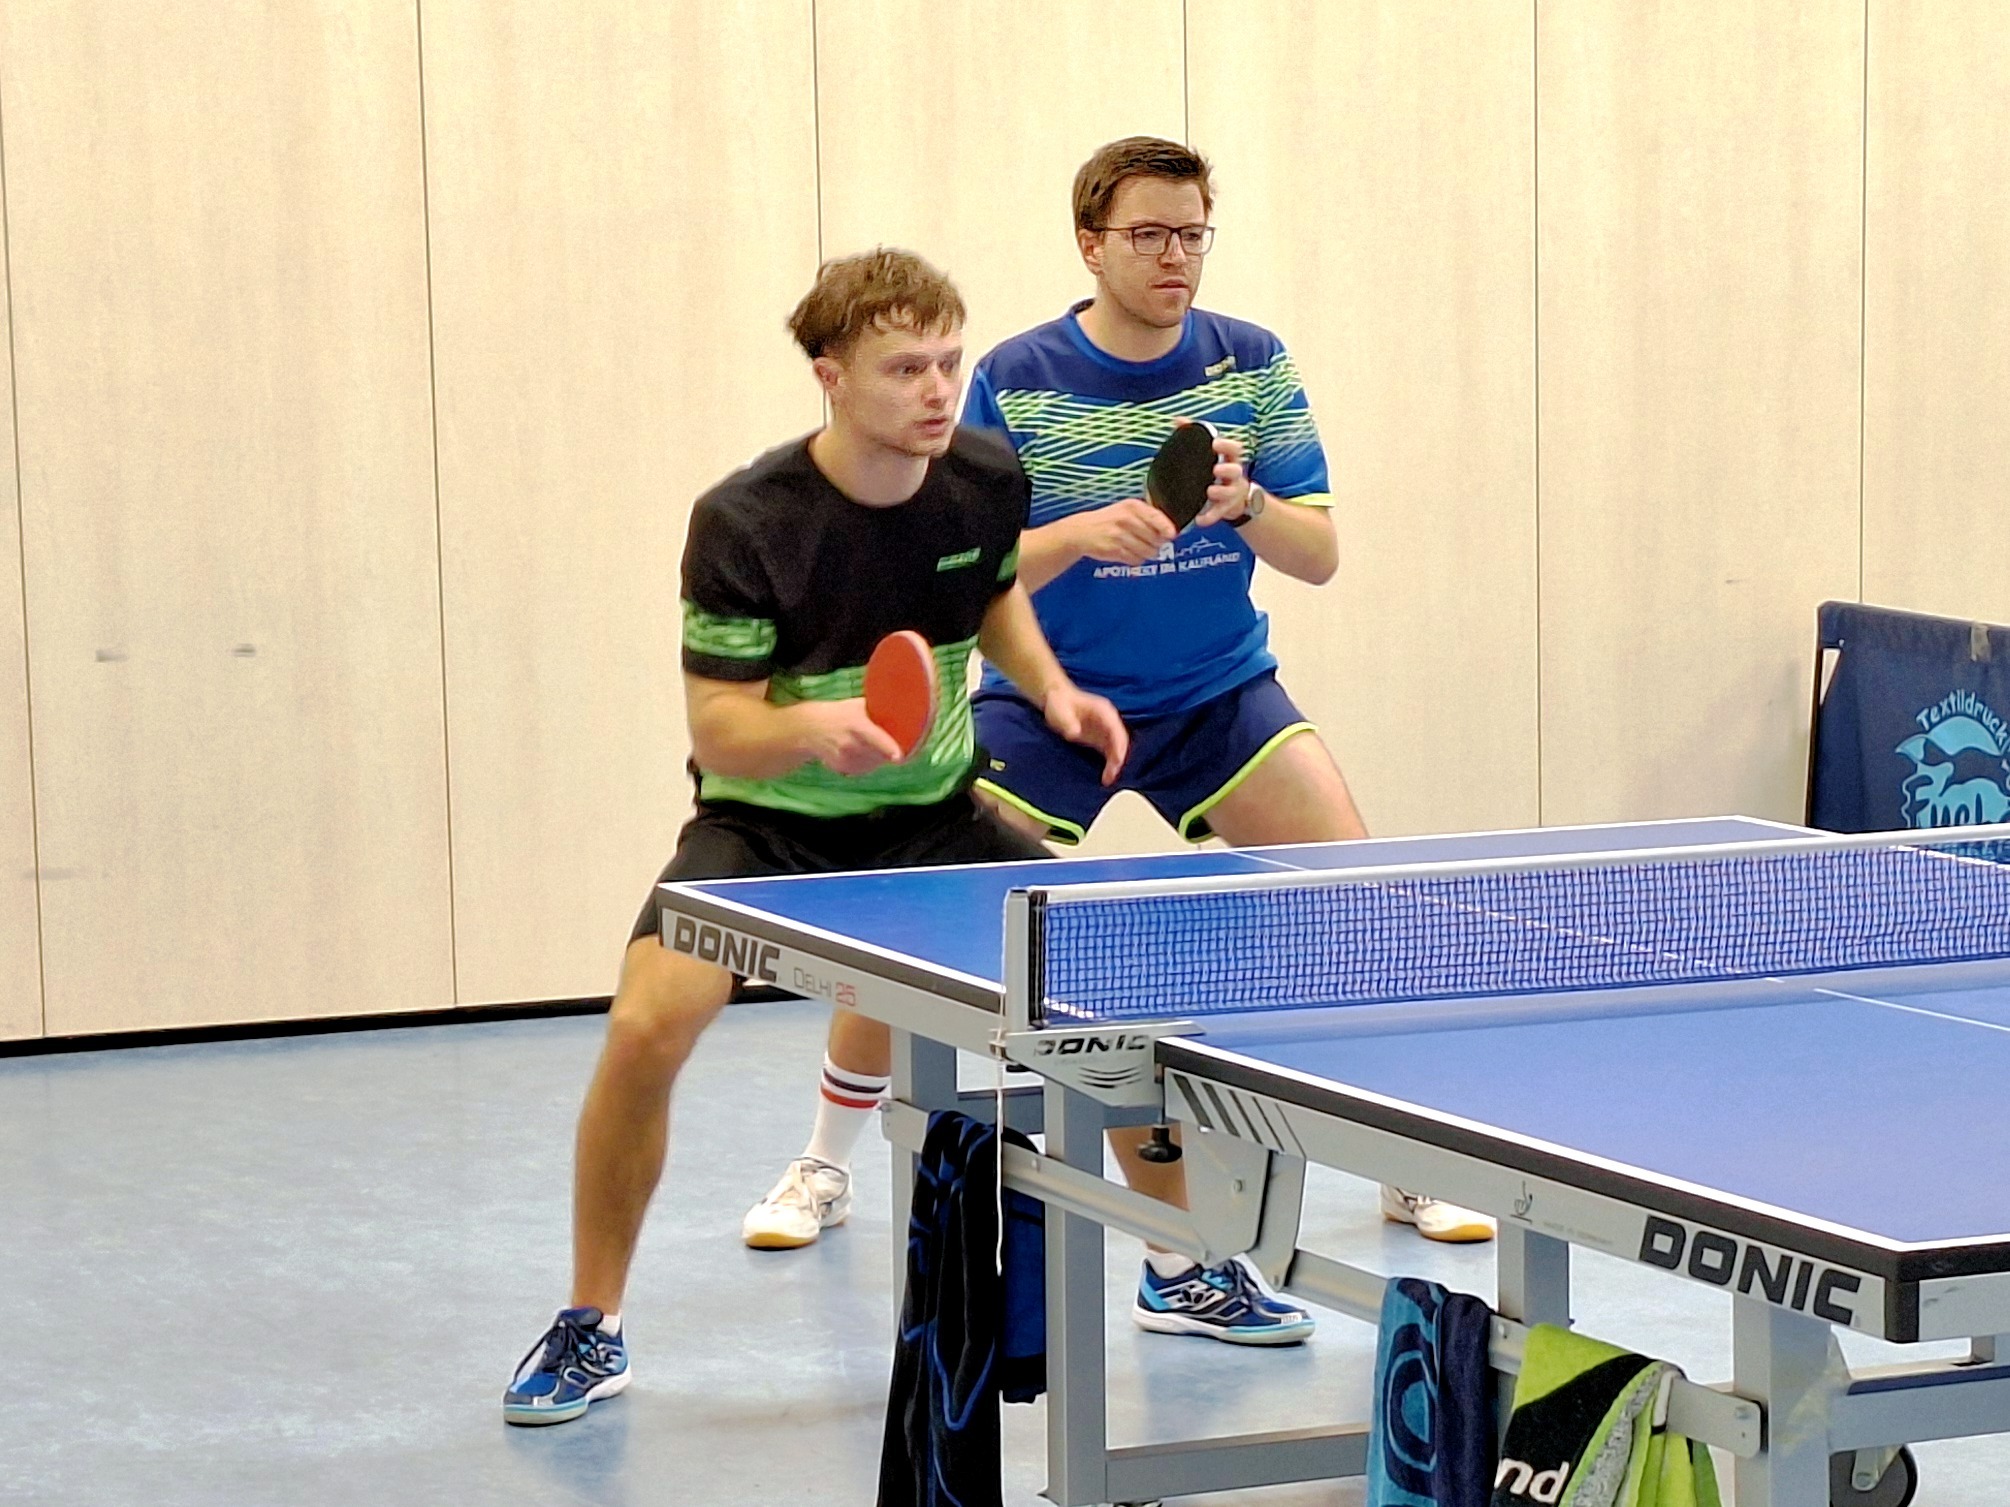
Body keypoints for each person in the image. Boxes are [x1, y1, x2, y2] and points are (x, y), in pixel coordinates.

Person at [503, 248, 1128, 1425]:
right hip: (767, 831)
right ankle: (591, 1322)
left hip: (935, 822)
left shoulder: (984, 478)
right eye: (906, 368)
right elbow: (720, 731)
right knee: (644, 1028)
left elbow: (991, 592)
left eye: (949, 361)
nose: (938, 390)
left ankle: (1189, 1262)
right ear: (830, 375)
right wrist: (810, 729)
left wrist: (1050, 688)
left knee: (1107, 998)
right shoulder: (747, 521)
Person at [962, 136, 1495, 1250]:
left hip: (1217, 694)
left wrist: (1250, 506)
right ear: (1090, 244)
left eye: (1192, 234)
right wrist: (1078, 533)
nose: (1176, 256)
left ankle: (1403, 1164)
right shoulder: (1016, 377)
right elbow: (969, 568)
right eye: (1149, 234)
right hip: (1053, 700)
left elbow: (1320, 556)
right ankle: (824, 1155)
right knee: (924, 910)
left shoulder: (1251, 363)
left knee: (1361, 908)